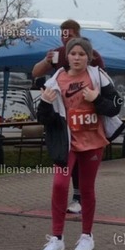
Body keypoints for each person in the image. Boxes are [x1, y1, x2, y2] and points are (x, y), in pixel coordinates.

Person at [36, 37, 122, 250]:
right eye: (73, 54)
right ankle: (56, 238)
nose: (77, 58)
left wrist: (97, 99)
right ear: (67, 56)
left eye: (81, 54)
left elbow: (115, 107)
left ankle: (86, 236)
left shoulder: (98, 76)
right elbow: (43, 118)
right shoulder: (56, 79)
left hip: (92, 142)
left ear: (89, 57)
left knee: (86, 189)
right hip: (67, 144)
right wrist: (45, 102)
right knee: (59, 184)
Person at [32, 20, 105, 215]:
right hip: (62, 117)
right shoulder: (57, 53)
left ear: (78, 35)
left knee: (83, 160)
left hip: (86, 118)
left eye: (69, 35)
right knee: (65, 156)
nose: (65, 39)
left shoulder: (92, 55)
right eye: (63, 35)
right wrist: (46, 61)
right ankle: (69, 196)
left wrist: (96, 98)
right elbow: (35, 72)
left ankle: (80, 196)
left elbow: (103, 80)